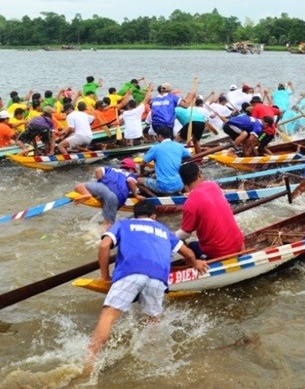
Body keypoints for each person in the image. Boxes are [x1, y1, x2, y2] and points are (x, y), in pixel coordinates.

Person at [85, 200, 208, 369]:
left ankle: (90, 361)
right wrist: (196, 264)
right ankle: (150, 361)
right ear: (154, 216)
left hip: (130, 273)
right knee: (153, 320)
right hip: (158, 278)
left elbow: (105, 245)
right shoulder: (164, 230)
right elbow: (188, 253)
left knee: (109, 315)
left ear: (135, 215)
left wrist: (104, 276)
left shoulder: (124, 224)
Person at [176, 162, 245, 259]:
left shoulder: (189, 203)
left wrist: (169, 236)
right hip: (239, 243)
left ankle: (199, 261)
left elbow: (185, 233)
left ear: (183, 182)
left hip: (219, 253)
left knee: (191, 245)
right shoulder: (214, 185)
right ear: (199, 175)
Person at [74, 158, 142, 230]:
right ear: (131, 169)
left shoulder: (111, 169)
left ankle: (87, 194)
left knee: (79, 186)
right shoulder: (131, 175)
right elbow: (130, 181)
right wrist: (136, 195)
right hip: (115, 196)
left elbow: (98, 170)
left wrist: (99, 182)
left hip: (102, 187)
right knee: (108, 224)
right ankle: (102, 238)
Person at [137, 126, 191, 196]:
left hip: (164, 187)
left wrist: (142, 172)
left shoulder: (155, 148)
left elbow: (142, 164)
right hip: (179, 185)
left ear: (159, 136)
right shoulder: (179, 146)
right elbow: (188, 156)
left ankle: (155, 198)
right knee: (155, 176)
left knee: (138, 181)